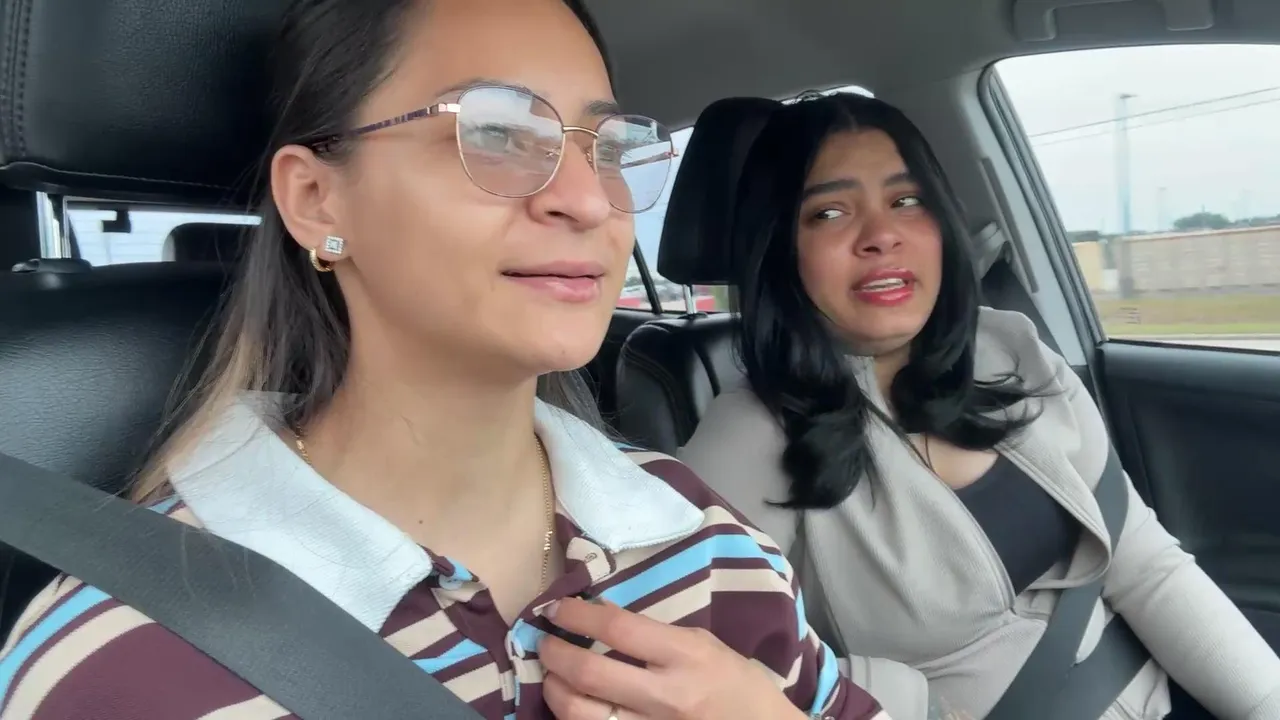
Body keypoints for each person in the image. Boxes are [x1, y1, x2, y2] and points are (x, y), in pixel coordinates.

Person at [0, 2, 889, 719]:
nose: (590, 200)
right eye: (497, 133)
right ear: (316, 200)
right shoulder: (118, 661)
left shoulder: (704, 539)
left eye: (609, 147)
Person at [679, 92, 1280, 720]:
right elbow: (717, 670)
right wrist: (907, 702)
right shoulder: (746, 437)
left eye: (906, 201)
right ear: (779, 247)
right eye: (829, 212)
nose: (882, 236)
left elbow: (1145, 565)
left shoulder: (1009, 350)